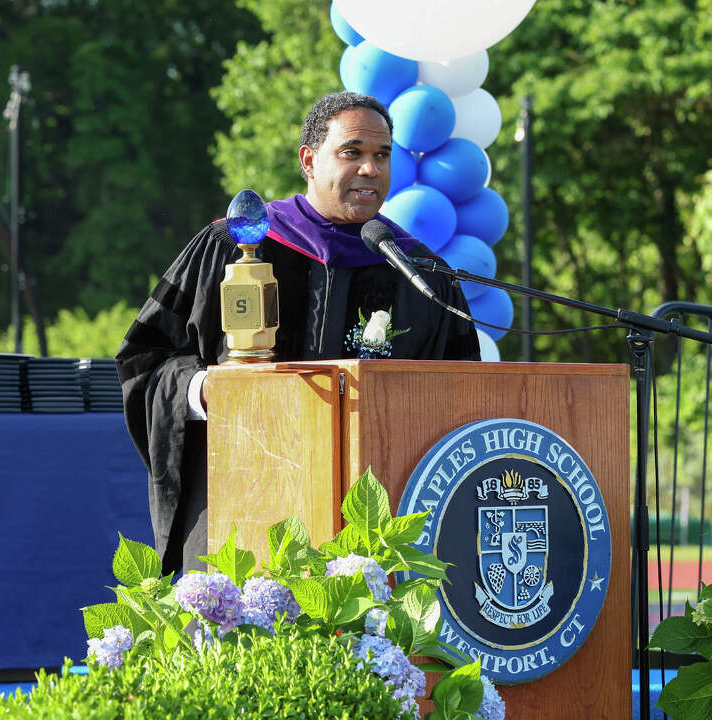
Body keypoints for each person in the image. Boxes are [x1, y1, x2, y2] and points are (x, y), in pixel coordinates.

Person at [117, 91, 481, 575]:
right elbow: (146, 358)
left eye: (381, 155)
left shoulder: (420, 273)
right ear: (309, 160)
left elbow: (463, 396)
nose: (370, 169)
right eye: (352, 153)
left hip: (379, 535)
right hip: (244, 509)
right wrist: (205, 388)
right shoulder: (233, 245)